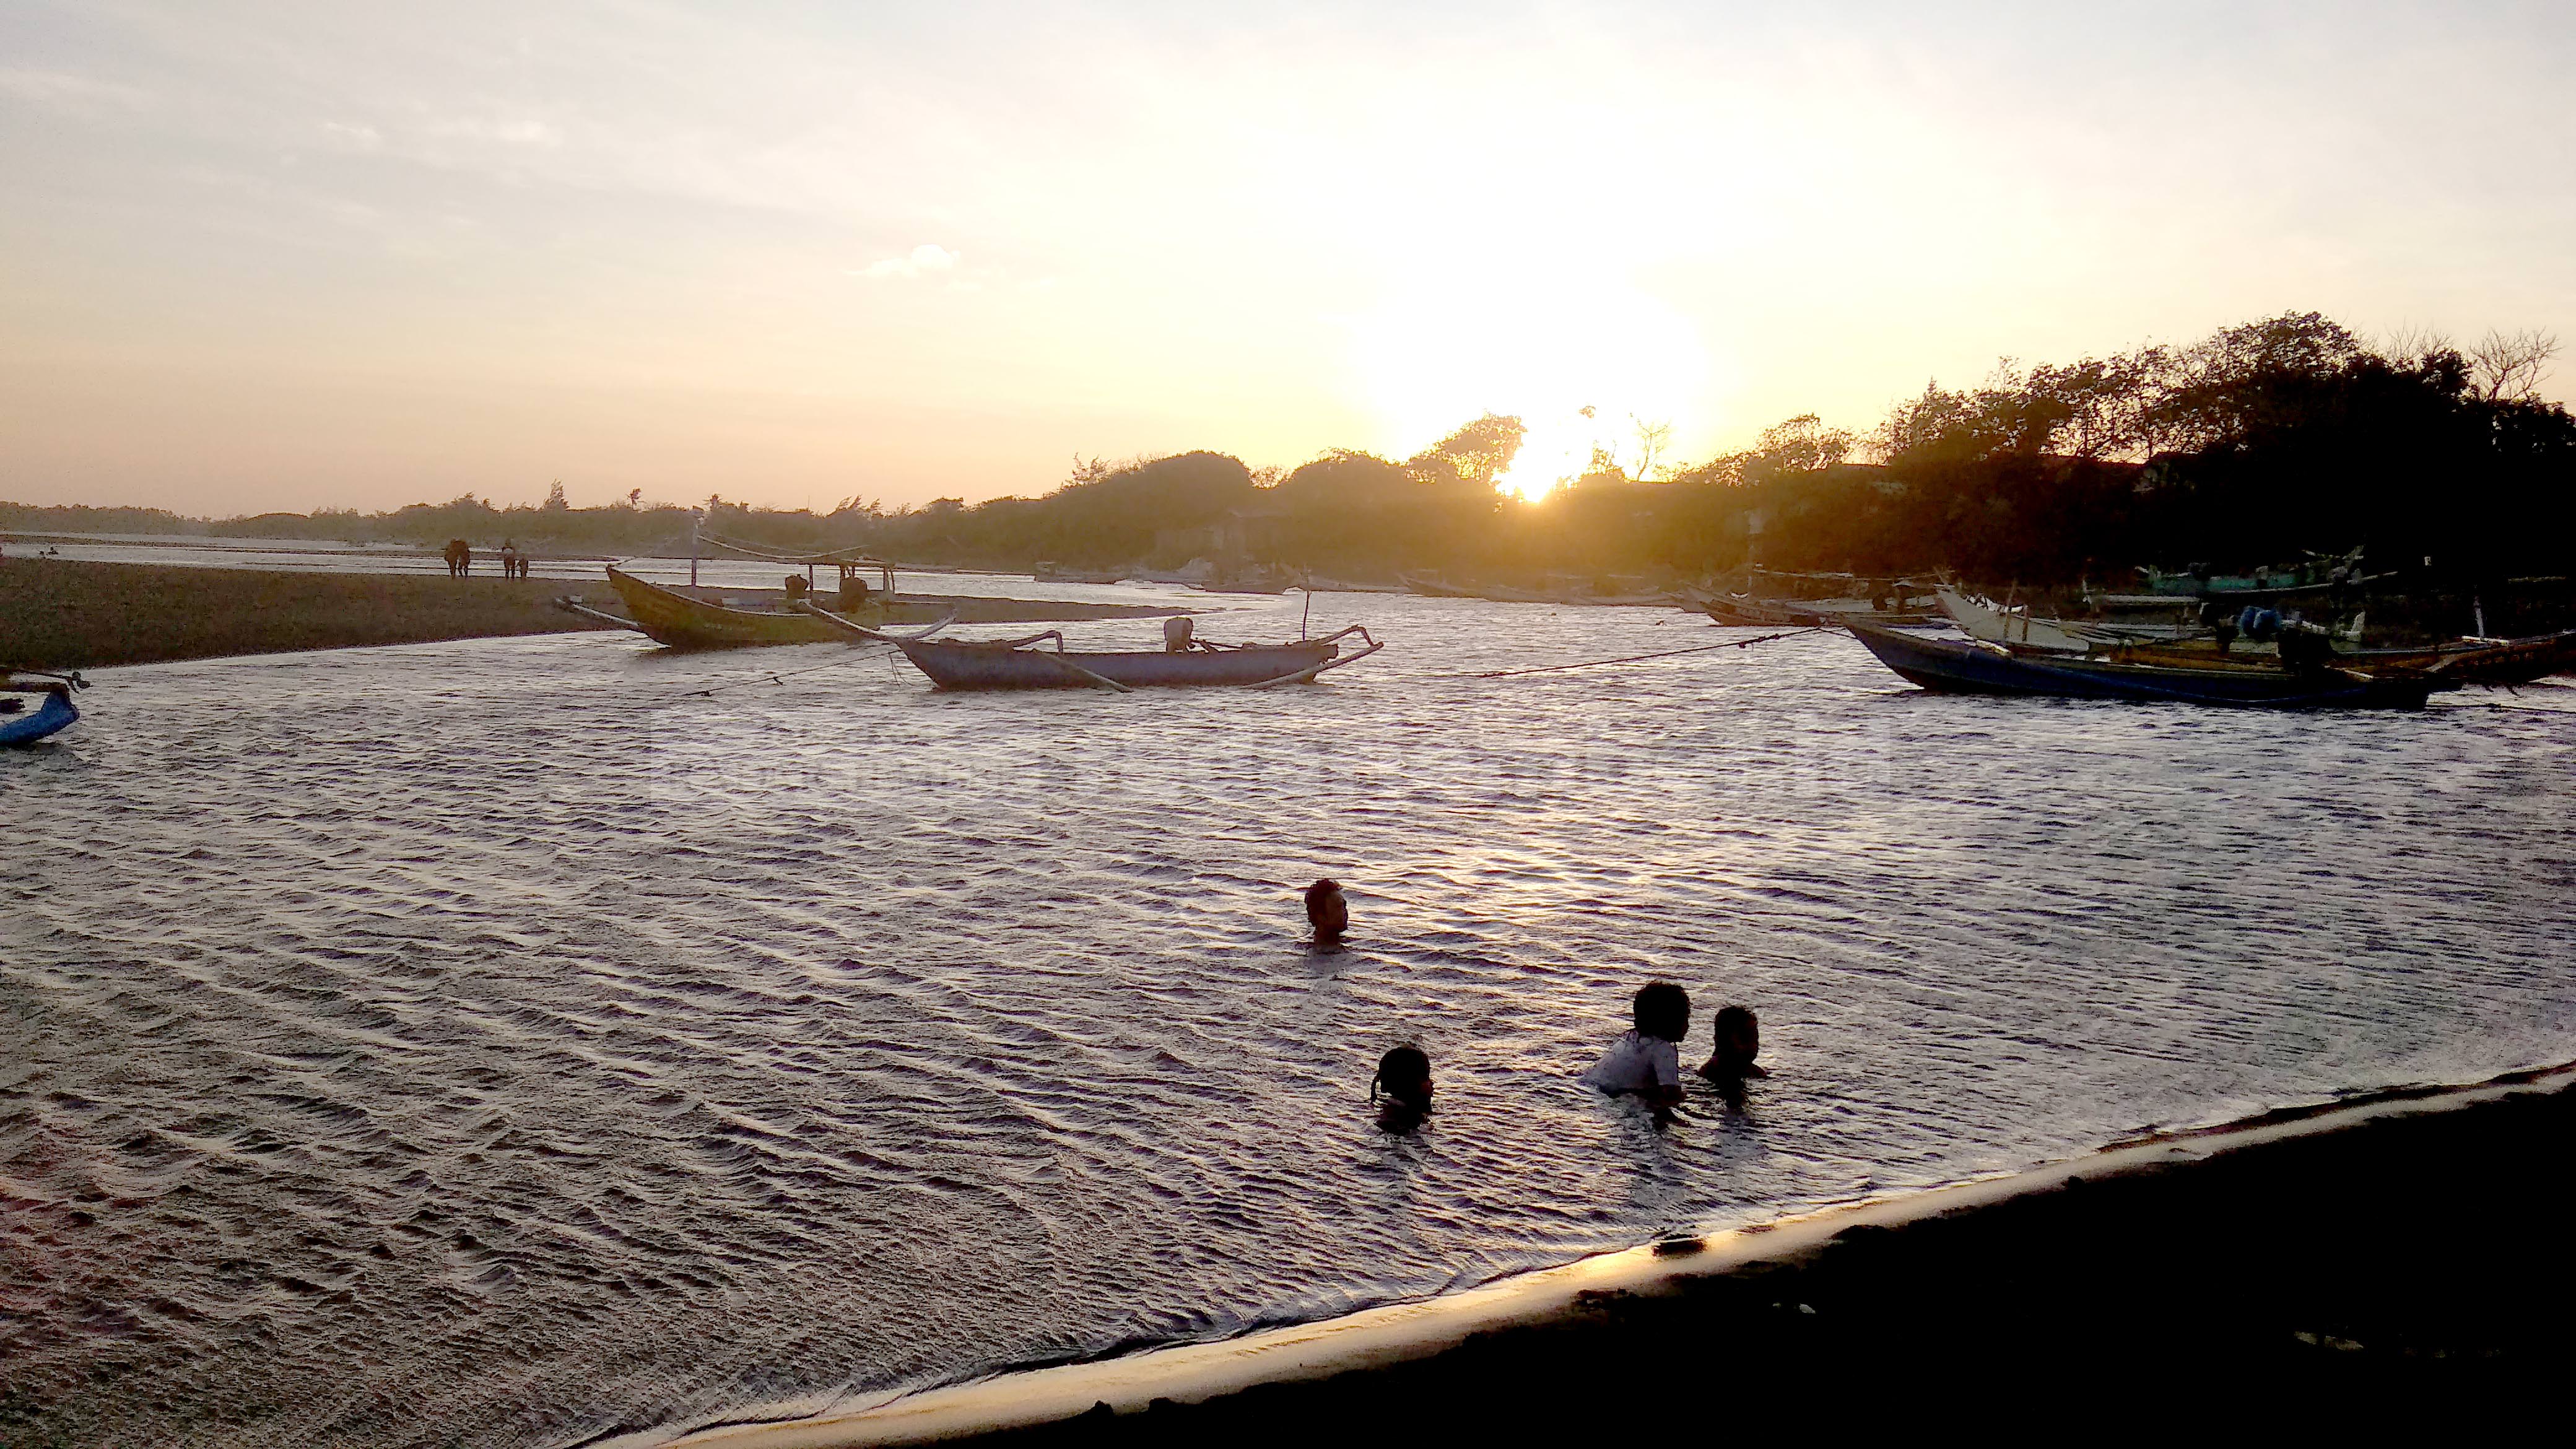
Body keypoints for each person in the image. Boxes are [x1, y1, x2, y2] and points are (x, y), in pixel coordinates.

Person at [1583, 981, 1690, 1111]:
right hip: (1621, 1098)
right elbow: (1672, 1094)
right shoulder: (1664, 1049)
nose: (1688, 1025)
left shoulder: (1629, 1038)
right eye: (1686, 1018)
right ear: (1672, 1022)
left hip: (1593, 1086)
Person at [1697, 1006, 1768, 1084]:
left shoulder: (1754, 1071)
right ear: (1723, 1040)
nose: (1753, 1046)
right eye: (1745, 1039)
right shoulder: (1714, 1071)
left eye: (1755, 1040)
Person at [1371, 1045, 1433, 1129]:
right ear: (1412, 1084)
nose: (1432, 1083)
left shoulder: (1389, 1112)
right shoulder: (1408, 1123)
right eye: (1426, 1078)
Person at [1305, 879, 1348, 944]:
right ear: (1320, 917)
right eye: (1338, 907)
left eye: (1344, 906)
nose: (1345, 911)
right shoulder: (1318, 949)